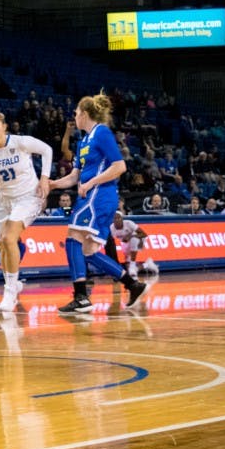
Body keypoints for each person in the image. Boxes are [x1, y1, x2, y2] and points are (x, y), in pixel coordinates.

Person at [47, 93, 148, 315]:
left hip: (98, 196)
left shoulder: (101, 132)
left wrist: (90, 182)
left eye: (76, 113)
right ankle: (133, 285)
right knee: (90, 251)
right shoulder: (83, 141)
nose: (74, 117)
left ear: (84, 114)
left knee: (72, 238)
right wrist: (52, 185)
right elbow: (74, 177)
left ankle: (81, 297)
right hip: (91, 196)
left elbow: (120, 166)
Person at [0, 111, 52, 313]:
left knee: (10, 239)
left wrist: (44, 177)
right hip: (4, 200)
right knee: (4, 243)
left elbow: (46, 150)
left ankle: (10, 292)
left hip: (28, 196)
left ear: (4, 126)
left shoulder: (20, 142)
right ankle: (14, 284)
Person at [110, 211, 159, 278]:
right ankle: (147, 265)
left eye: (119, 218)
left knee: (133, 240)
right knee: (129, 271)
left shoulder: (129, 223)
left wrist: (129, 237)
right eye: (115, 218)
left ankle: (133, 265)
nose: (117, 220)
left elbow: (144, 234)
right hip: (125, 245)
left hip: (139, 241)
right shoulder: (111, 228)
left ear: (122, 219)